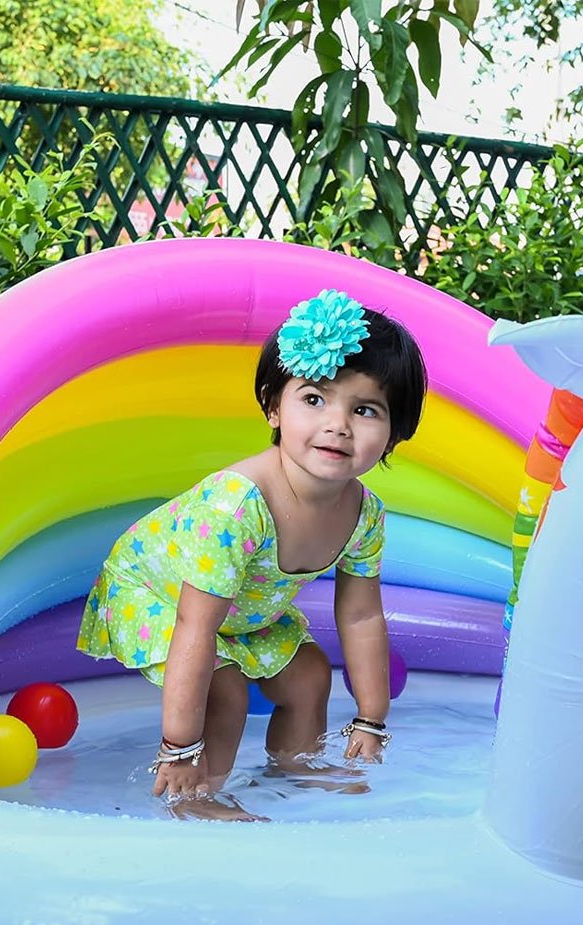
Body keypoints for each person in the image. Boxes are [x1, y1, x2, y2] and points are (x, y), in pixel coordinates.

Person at [76, 288, 427, 805]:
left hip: (240, 609)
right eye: (314, 399)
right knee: (226, 692)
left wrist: (371, 720)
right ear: (273, 407)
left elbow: (361, 617)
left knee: (309, 677)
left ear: (395, 433)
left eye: (365, 409)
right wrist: (178, 747)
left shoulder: (364, 514)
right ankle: (196, 795)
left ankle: (295, 767)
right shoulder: (237, 507)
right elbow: (195, 626)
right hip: (159, 596)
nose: (337, 425)